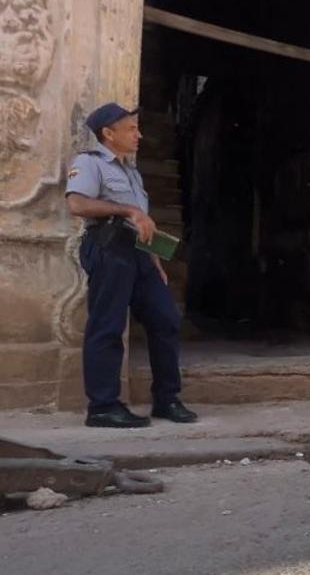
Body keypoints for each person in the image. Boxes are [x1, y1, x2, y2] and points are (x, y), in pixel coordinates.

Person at [65, 102, 198, 428]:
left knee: (165, 319)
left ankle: (166, 399)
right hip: (109, 248)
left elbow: (143, 224)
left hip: (138, 253)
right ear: (108, 134)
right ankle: (103, 407)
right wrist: (128, 211)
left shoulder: (132, 172)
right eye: (130, 129)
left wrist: (154, 259)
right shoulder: (89, 162)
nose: (139, 134)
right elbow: (77, 203)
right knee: (108, 326)